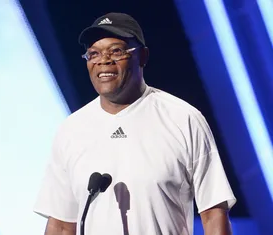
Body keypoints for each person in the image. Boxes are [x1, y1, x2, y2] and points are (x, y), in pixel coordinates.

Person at [34, 12, 236, 235]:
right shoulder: (71, 130)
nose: (104, 60)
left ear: (142, 56)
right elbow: (62, 225)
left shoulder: (183, 118)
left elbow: (213, 211)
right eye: (93, 54)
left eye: (116, 51)